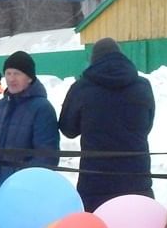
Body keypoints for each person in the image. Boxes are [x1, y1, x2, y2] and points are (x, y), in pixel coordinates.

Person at [59, 37, 156, 212]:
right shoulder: (143, 86)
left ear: (93, 60)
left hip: (95, 182)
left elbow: (68, 129)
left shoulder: (82, 88)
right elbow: (147, 126)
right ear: (121, 56)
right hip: (137, 180)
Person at [0, 50, 59, 187]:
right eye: (8, 73)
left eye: (17, 74)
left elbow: (47, 157)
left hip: (24, 189)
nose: (11, 79)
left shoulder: (42, 108)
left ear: (29, 78)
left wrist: (21, 181)